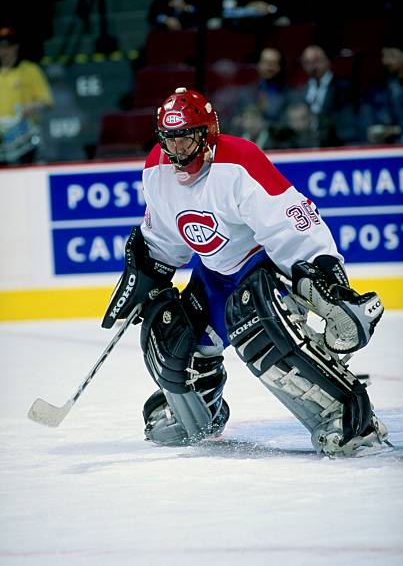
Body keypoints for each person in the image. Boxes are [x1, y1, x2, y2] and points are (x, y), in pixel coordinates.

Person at [101, 86, 388, 458]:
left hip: (263, 270)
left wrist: (324, 276)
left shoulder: (239, 161)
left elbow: (292, 224)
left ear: (208, 134)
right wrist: (146, 271)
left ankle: (347, 415)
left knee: (257, 327)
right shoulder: (157, 169)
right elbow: (165, 237)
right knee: (174, 338)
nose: (178, 151)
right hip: (216, 274)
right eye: (170, 140)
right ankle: (203, 410)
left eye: (187, 139)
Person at [0, 26, 53, 165]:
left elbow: (47, 101)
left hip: (23, 133)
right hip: (1, 134)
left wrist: (32, 106)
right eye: (2, 47)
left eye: (9, 46)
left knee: (25, 165)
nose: (5, 51)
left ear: (16, 47)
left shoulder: (30, 70)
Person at [295, 45, 359, 147]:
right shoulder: (300, 91)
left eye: (316, 60)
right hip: (305, 145)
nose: (313, 66)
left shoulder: (345, 88)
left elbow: (346, 121)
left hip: (335, 144)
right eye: (307, 62)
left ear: (327, 61)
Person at [358, 44, 403, 145]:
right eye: (384, 56)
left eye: (391, 56)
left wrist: (396, 130)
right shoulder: (378, 88)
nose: (386, 61)